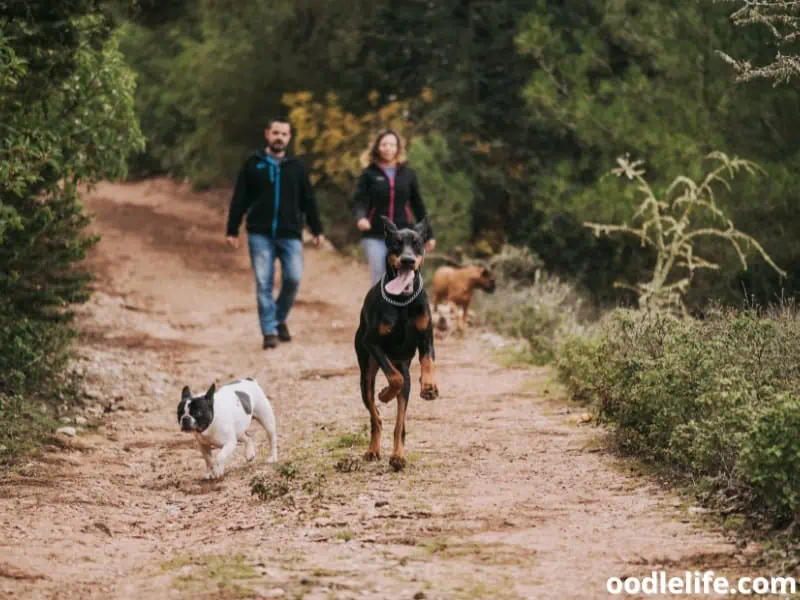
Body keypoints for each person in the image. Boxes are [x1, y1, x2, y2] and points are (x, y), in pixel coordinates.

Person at [226, 117, 325, 350]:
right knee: (263, 282)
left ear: (289, 138)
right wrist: (232, 229)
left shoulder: (297, 166)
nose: (279, 137)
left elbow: (308, 200)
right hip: (259, 233)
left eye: (284, 134)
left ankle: (279, 318)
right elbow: (239, 198)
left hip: (290, 233)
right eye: (276, 133)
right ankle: (269, 331)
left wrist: (317, 229)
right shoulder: (253, 163)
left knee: (293, 278)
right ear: (267, 135)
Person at [351, 129, 436, 285]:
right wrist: (361, 217)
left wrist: (429, 234)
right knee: (379, 276)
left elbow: (418, 204)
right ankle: (380, 308)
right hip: (375, 234)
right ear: (377, 147)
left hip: (404, 236)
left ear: (398, 148)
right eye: (384, 144)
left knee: (404, 276)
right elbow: (359, 201)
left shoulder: (408, 174)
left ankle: (401, 307)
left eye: (392, 144)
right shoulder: (368, 174)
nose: (388, 148)